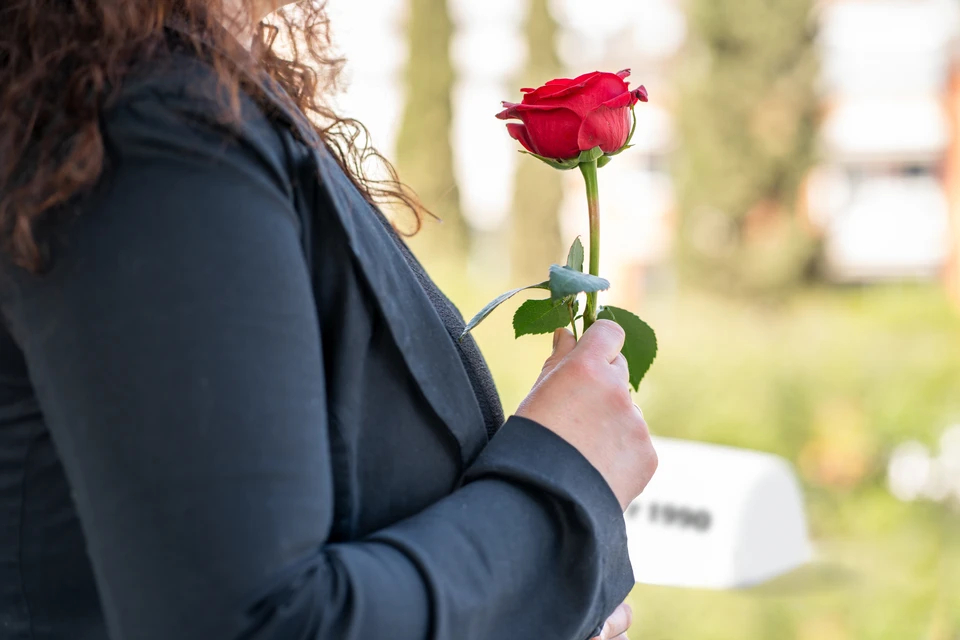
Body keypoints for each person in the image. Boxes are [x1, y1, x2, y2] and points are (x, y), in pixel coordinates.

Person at [0, 0, 658, 638]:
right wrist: (564, 486)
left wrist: (542, 602)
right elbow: (255, 622)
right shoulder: (156, 133)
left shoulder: (194, 99)